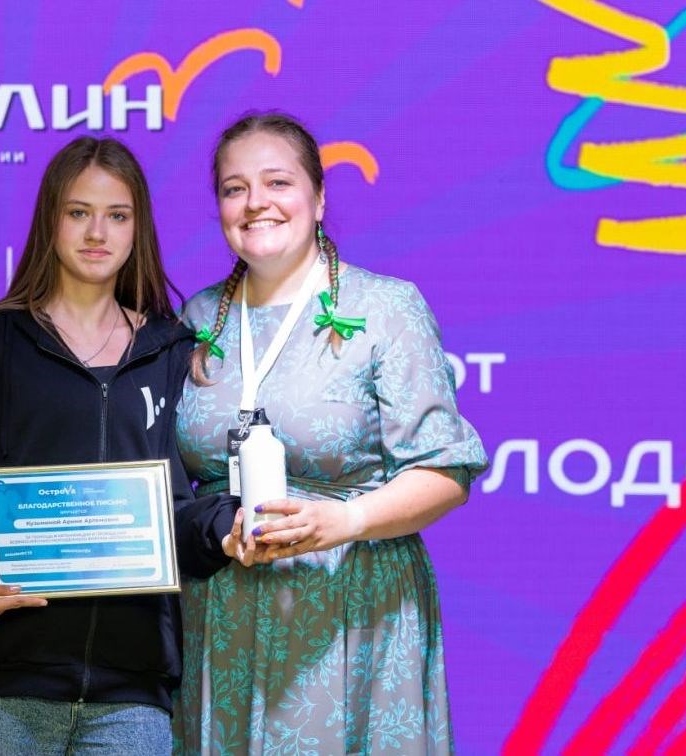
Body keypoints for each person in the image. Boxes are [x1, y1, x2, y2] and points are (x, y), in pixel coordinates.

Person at [0, 136, 236, 755]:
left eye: (117, 215)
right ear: (50, 220)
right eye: (79, 212)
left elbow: (173, 523)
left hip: (132, 695)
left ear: (138, 228)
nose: (97, 232)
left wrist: (226, 527)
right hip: (3, 689)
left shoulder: (170, 352)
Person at [174, 113, 488, 754]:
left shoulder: (387, 309)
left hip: (350, 606)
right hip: (222, 613)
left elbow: (446, 472)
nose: (255, 202)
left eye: (278, 182)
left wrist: (343, 521)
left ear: (318, 198)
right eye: (235, 188)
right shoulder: (196, 318)